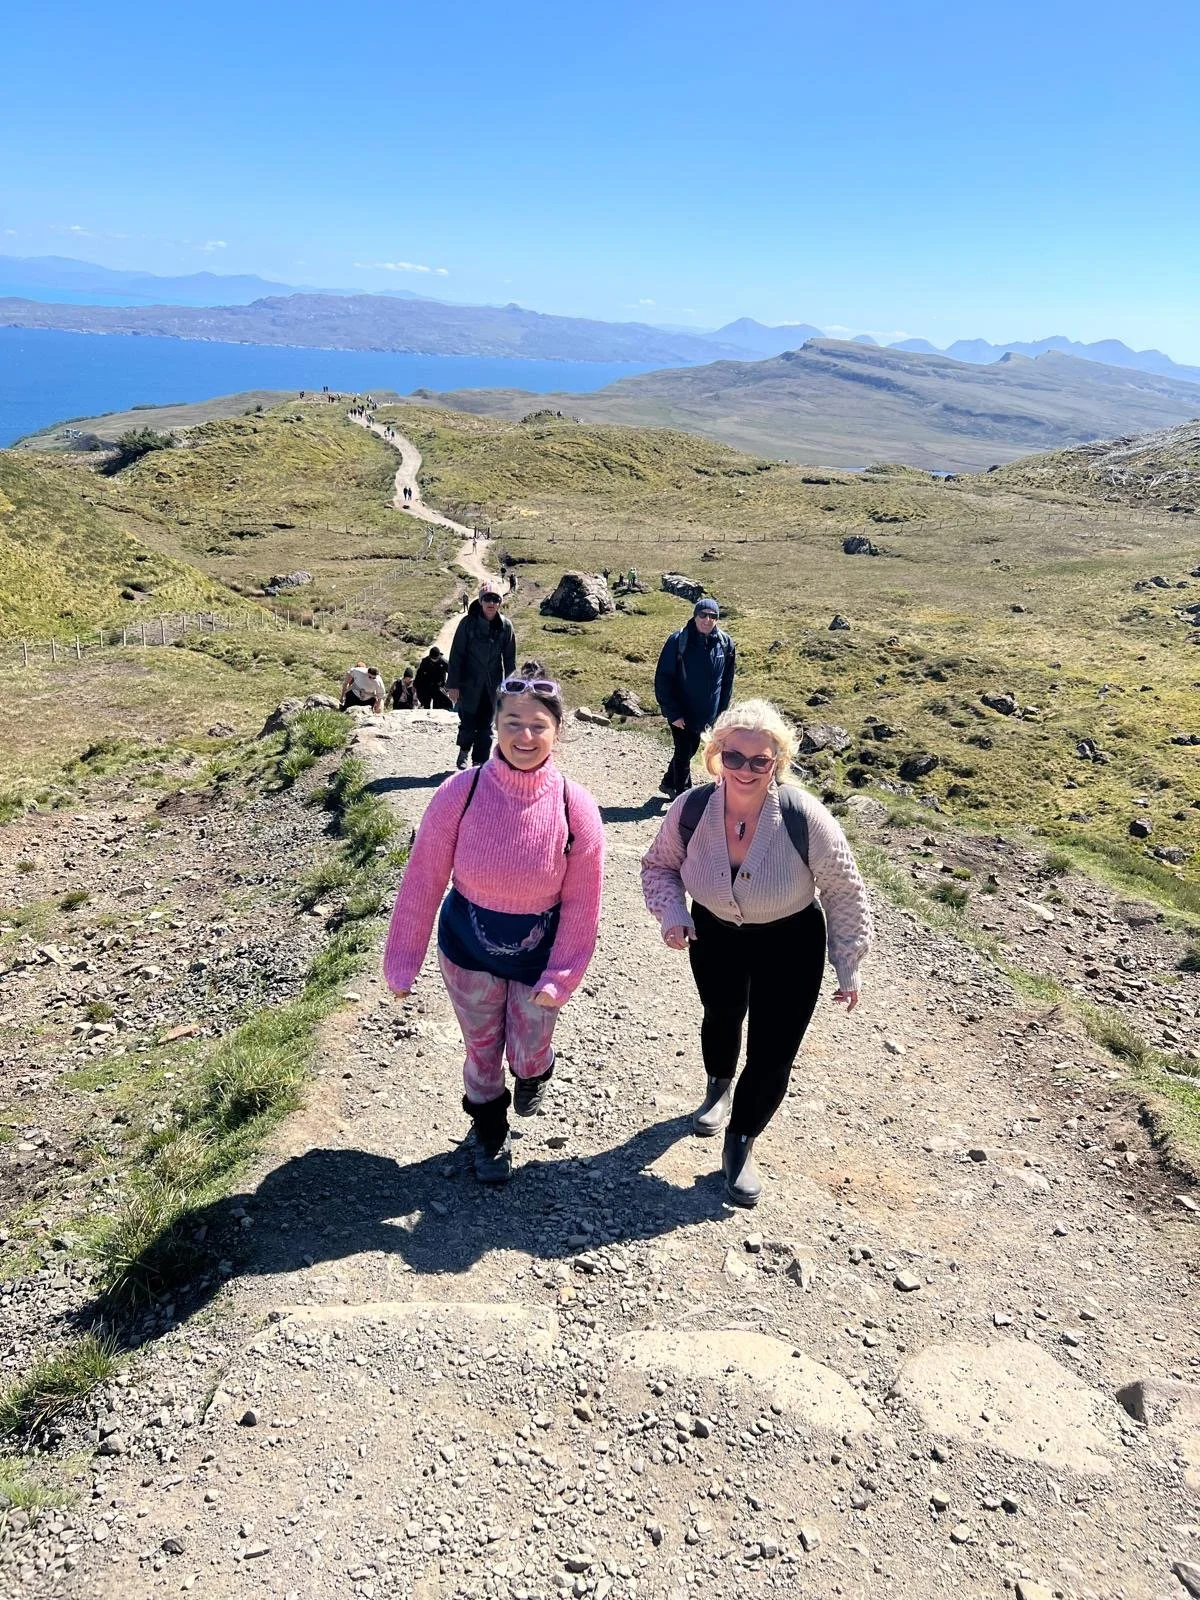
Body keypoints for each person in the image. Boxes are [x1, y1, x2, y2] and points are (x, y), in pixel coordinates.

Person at [640, 699, 872, 1209]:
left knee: (773, 1048)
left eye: (759, 761)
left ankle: (741, 1139)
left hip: (790, 941)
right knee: (721, 1016)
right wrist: (673, 915)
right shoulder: (691, 809)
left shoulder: (803, 815)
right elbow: (658, 866)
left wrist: (848, 961)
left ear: (777, 763)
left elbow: (844, 890)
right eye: (734, 757)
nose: (745, 769)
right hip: (714, 934)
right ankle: (719, 1086)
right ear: (716, 757)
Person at [383, 665, 604, 1183]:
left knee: (528, 1050)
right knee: (481, 1050)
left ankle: (535, 1072)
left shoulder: (578, 806)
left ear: (557, 731)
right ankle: (489, 1133)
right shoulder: (459, 793)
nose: (524, 736)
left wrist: (563, 976)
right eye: (512, 723)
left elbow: (582, 903)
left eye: (538, 725)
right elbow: (423, 880)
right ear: (495, 726)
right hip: (467, 949)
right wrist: (402, 963)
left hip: (539, 957)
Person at [653, 596, 737, 799]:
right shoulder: (678, 641)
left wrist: (722, 715)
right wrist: (673, 713)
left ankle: (667, 782)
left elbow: (726, 683)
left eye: (712, 616)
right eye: (703, 615)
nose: (707, 620)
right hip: (681, 711)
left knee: (689, 751)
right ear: (695, 616)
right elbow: (663, 678)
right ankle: (683, 797)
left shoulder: (725, 644)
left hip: (706, 715)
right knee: (683, 753)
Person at [447, 581, 517, 769]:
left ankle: (480, 764)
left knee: (486, 727)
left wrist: (510, 687)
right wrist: (453, 685)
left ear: (500, 602)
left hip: (492, 686)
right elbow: (456, 655)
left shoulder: (505, 626)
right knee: (468, 723)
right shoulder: (467, 624)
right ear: (480, 600)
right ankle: (463, 751)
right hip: (469, 684)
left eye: (495, 599)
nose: (491, 603)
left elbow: (510, 660)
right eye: (487, 598)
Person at [414, 646, 452, 710]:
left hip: (439, 687)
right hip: (427, 686)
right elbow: (419, 675)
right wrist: (415, 686)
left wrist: (447, 686)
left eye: (436, 658)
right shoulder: (425, 661)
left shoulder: (444, 662)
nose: (434, 660)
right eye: (432, 658)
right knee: (425, 705)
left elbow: (452, 674)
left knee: (438, 706)